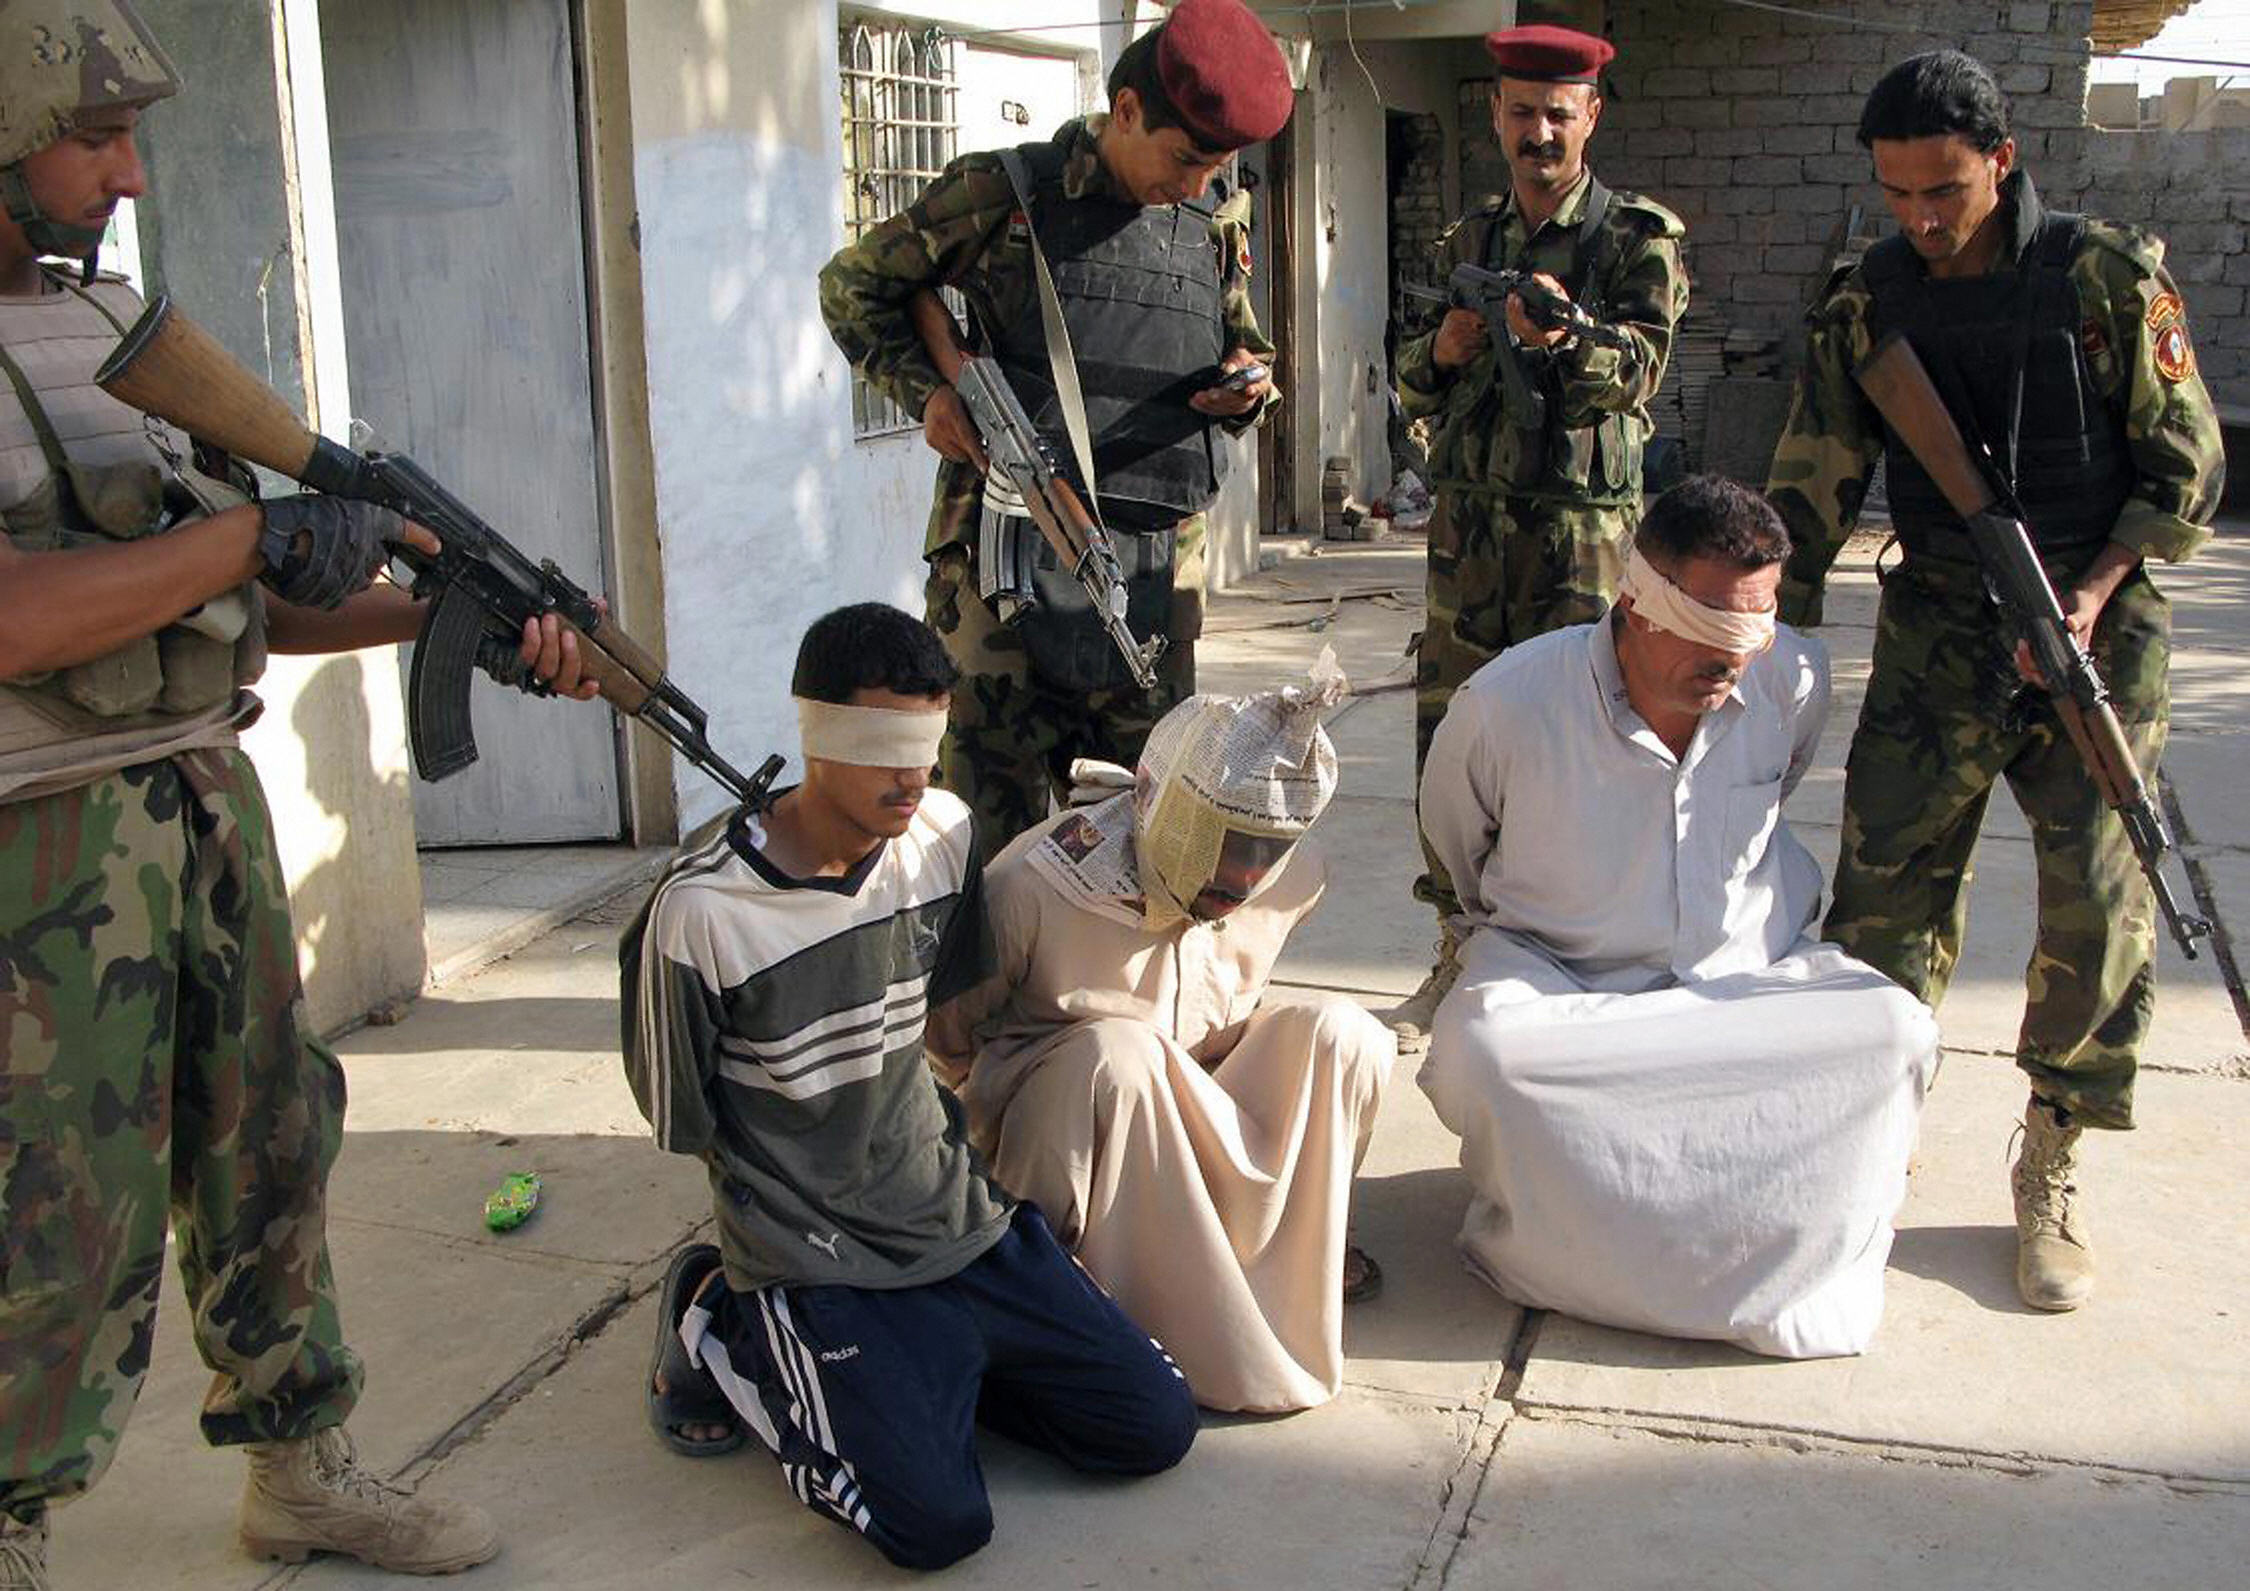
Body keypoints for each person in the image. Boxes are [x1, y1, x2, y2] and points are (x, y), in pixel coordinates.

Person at [0, 5, 603, 1582]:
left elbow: (233, 599)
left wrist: (452, 612)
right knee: (47, 1207)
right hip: (28, 845)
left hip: (195, 795)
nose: (131, 173)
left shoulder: (112, 331)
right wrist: (246, 536)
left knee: (268, 1141)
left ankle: (300, 1460)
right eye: (94, 138)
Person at [1763, 51, 2223, 1312]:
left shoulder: (2104, 276)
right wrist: (1752, 632)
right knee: (1882, 899)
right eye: (1900, 191)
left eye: (1947, 189)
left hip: (2096, 627)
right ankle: (1865, 1144)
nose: (1922, 214)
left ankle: (2053, 1161)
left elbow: (2185, 467)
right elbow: (1809, 484)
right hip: (1939, 634)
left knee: (2097, 904)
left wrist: (2090, 587)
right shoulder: (1872, 306)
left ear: (2002, 161)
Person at [622, 603, 1196, 1573]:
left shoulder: (944, 835)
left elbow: (933, 1014)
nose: (912, 775)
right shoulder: (702, 914)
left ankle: (937, 1374)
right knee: (934, 1527)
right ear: (815, 733)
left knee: (1151, 1427)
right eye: (883, 745)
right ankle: (719, 1316)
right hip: (817, 1260)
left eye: (926, 744)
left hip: (959, 1221)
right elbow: (685, 1117)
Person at [1418, 476, 1939, 1359]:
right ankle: (1556, 1249)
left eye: (1756, 622)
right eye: (1709, 626)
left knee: (1896, 1031)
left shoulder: (1795, 677)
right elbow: (1458, 847)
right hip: (1570, 990)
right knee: (1491, 1057)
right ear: (1638, 600)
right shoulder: (1508, 705)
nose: (1736, 654)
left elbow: (1784, 779)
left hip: (1746, 988)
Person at [818, 0, 1292, 857]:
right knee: (980, 838)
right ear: (1127, 110)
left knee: (1150, 838)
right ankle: (980, 989)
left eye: (1213, 166)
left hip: (1144, 578)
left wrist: (1249, 386)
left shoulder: (1214, 214)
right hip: (1002, 569)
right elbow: (854, 286)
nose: (1193, 184)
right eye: (1184, 158)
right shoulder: (1005, 193)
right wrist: (927, 393)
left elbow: (1241, 338)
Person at [928, 658, 1395, 1413]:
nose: (1245, 877)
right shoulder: (1033, 885)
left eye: (1265, 849)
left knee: (1347, 1035)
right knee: (1121, 1055)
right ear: (1164, 804)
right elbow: (947, 1041)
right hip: (1070, 1145)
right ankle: (1069, 1293)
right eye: (1227, 843)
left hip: (1193, 1117)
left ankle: (1287, 1251)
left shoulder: (1294, 877)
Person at [1388, 22, 1690, 1050]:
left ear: (1591, 116)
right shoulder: (1466, 241)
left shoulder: (1633, 239)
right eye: (1521, 112)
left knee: (1583, 747)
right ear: (1495, 114)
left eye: (1558, 113)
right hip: (1469, 534)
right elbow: (1409, 379)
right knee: (1455, 747)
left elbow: (1643, 369)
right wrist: (1447, 343)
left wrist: (1567, 338)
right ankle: (1455, 953)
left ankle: (1571, 972)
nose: (1539, 132)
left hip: (1580, 539)